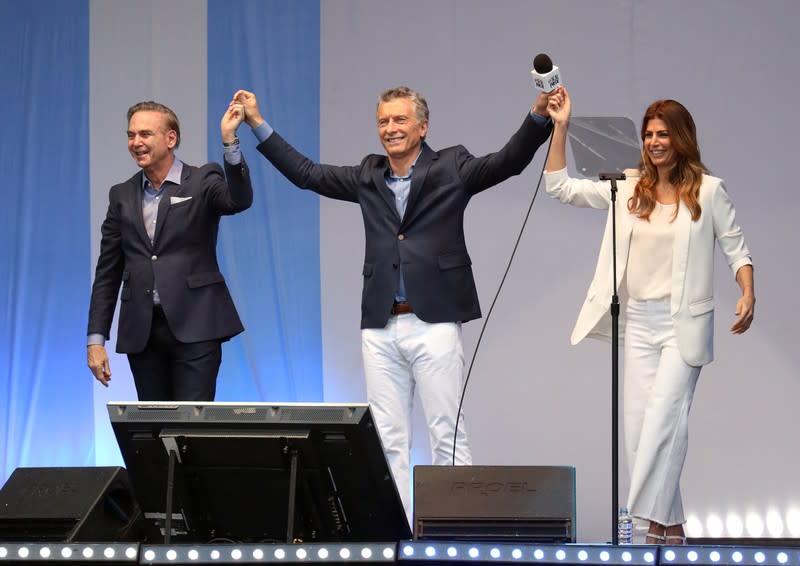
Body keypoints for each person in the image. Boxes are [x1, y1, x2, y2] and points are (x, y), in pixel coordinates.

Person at [232, 86, 552, 517]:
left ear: (422, 127)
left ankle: (453, 526)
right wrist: (256, 122)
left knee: (447, 431)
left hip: (435, 320)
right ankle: (396, 529)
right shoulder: (368, 174)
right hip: (380, 323)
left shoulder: (451, 166)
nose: (390, 129)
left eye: (400, 120)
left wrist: (537, 115)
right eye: (383, 121)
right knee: (386, 437)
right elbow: (307, 173)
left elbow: (507, 161)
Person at [544, 87, 755, 544]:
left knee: (665, 419)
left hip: (684, 326)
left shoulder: (709, 191)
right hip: (638, 324)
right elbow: (560, 187)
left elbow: (736, 246)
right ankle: (672, 527)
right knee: (640, 433)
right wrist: (560, 127)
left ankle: (642, 522)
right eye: (648, 134)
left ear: (682, 138)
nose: (655, 141)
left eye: (663, 134)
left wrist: (747, 292)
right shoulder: (627, 189)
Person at [86, 100, 253, 401]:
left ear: (170, 139)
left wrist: (230, 140)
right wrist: (96, 340)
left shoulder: (203, 180)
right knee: (153, 434)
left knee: (191, 432)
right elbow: (107, 272)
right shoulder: (121, 195)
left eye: (145, 134)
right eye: (131, 135)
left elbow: (238, 201)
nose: (136, 143)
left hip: (197, 325)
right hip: (142, 332)